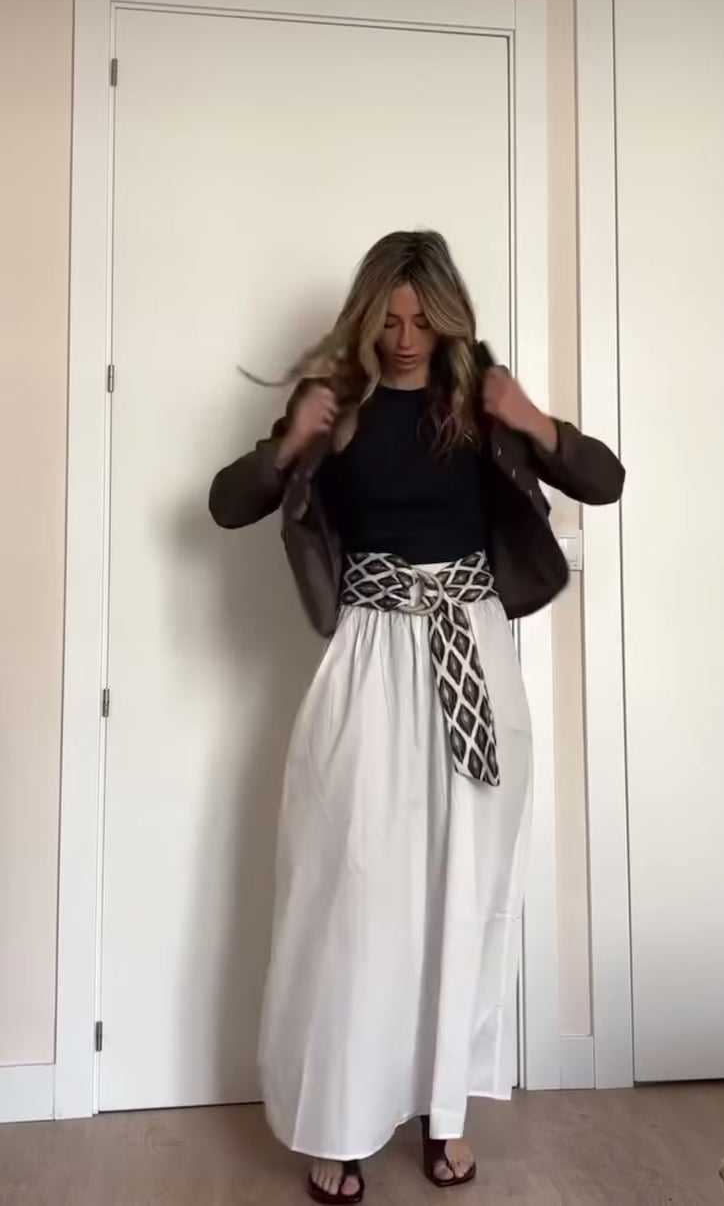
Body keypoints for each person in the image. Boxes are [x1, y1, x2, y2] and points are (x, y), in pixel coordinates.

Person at [209, 230, 624, 1203]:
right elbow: (228, 503)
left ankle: (445, 1115)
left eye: (421, 321)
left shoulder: (484, 401)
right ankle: (340, 1120)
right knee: (351, 891)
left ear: (448, 319)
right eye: (388, 320)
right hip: (369, 651)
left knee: (462, 889)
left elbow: (603, 481)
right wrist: (290, 444)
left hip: (472, 651)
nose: (403, 339)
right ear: (365, 317)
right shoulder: (336, 407)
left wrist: (533, 418)